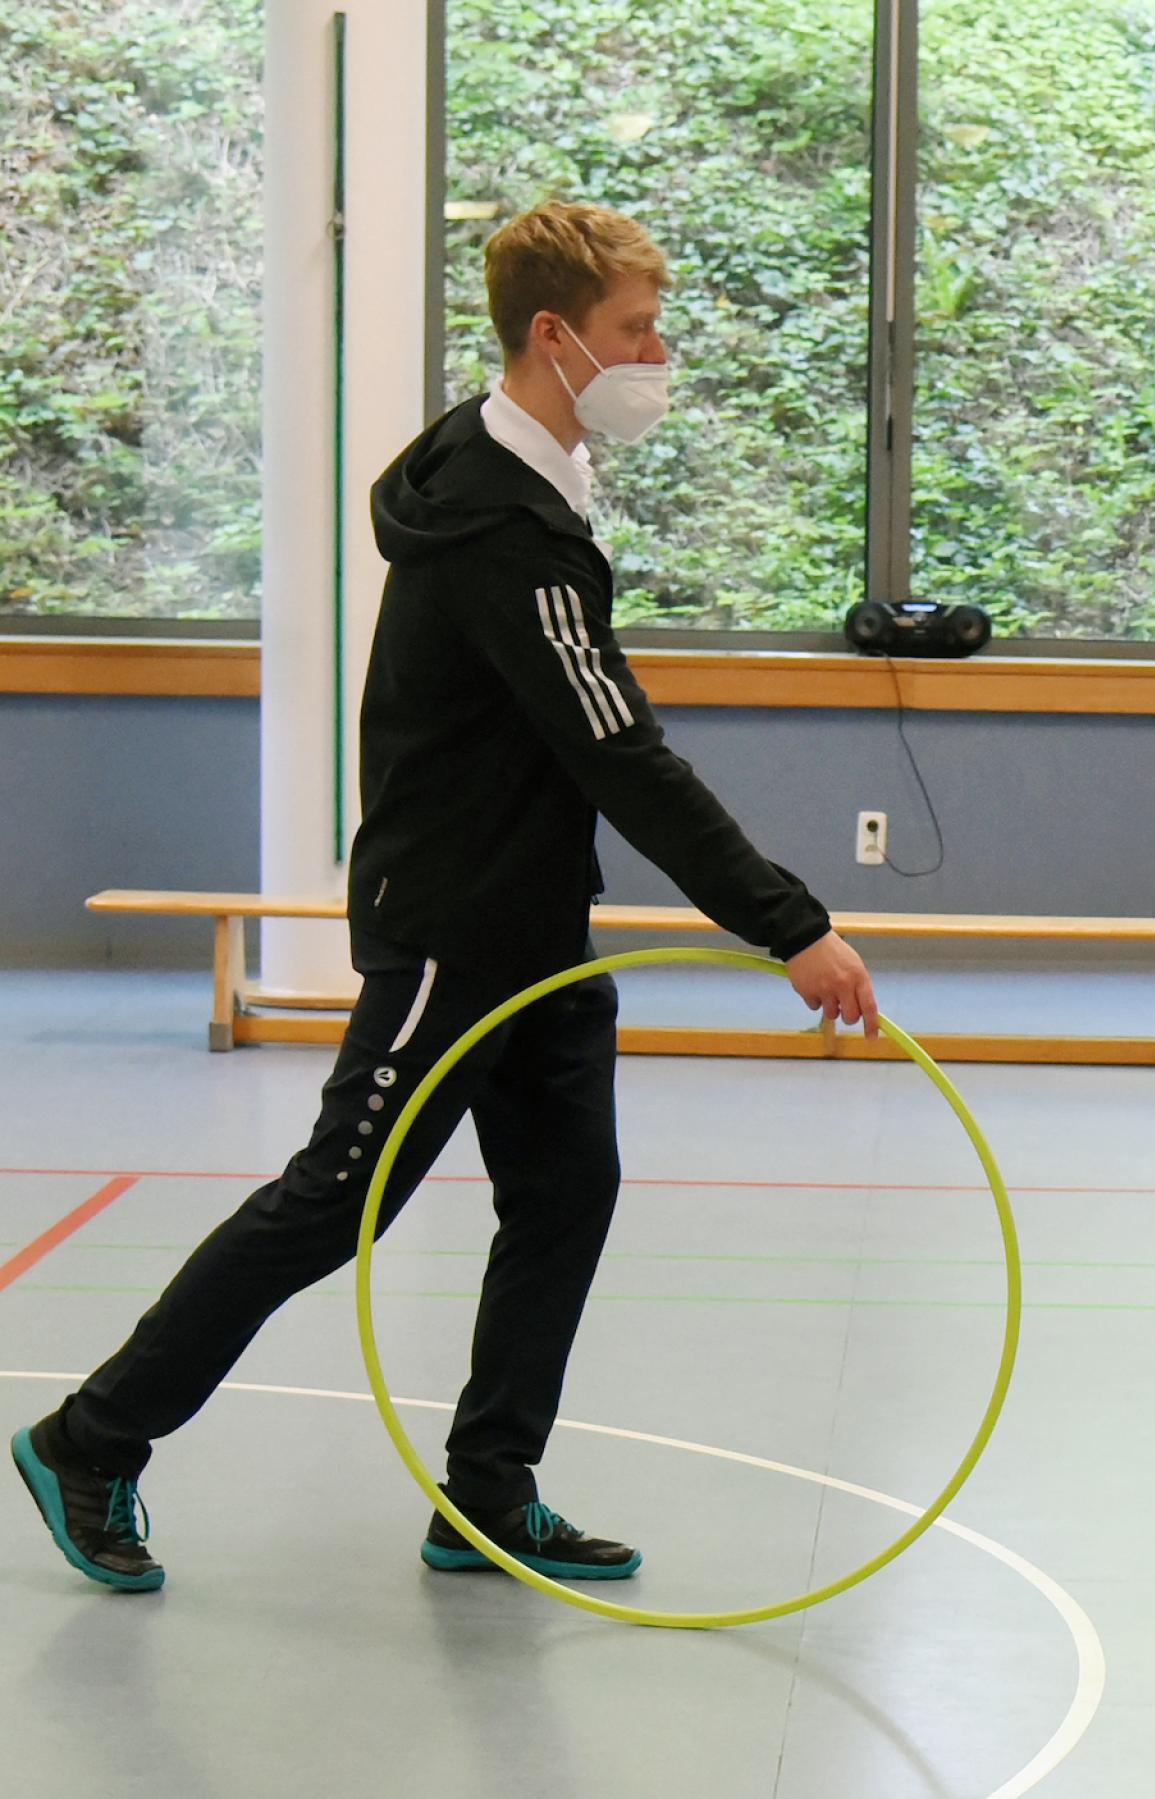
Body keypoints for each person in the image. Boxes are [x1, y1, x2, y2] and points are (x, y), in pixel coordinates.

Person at [9, 202, 876, 1594]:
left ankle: (486, 1490)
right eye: (636, 331)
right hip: (450, 930)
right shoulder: (499, 524)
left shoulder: (527, 471)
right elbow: (617, 747)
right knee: (335, 1201)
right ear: (553, 335)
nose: (658, 355)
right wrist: (793, 924)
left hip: (536, 924)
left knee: (567, 1192)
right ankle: (88, 1437)